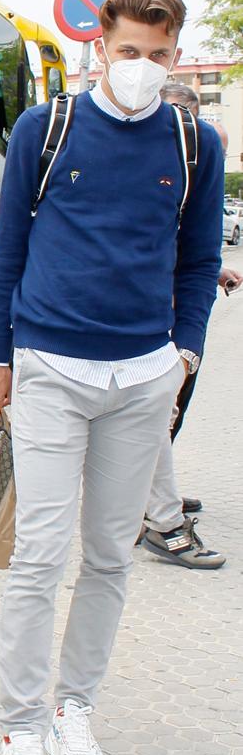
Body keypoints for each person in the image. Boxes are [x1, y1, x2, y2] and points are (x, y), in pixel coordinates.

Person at [0, 0, 223, 755]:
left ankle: (72, 710)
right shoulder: (44, 129)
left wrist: (183, 356)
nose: (141, 66)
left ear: (175, 54)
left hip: (142, 379)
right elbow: (7, 251)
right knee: (38, 557)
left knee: (110, 558)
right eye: (127, 51)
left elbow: (198, 261)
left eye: (157, 53)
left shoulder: (195, 144)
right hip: (49, 369)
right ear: (99, 48)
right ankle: (20, 723)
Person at [140, 83, 237, 569]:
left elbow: (193, 249)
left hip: (173, 318)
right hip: (146, 322)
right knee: (156, 415)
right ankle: (155, 515)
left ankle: (153, 509)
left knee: (162, 414)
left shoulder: (195, 160)